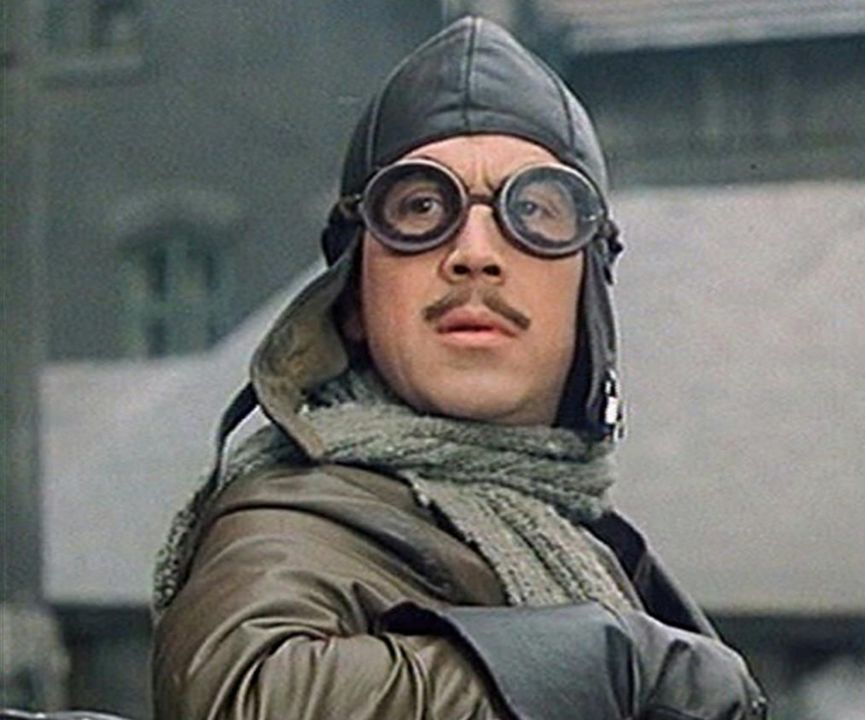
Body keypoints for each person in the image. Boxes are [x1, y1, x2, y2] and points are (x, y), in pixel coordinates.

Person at [150, 16, 767, 720]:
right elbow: (240, 696)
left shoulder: (595, 550)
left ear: (587, 294)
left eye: (532, 209)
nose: (475, 252)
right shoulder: (296, 520)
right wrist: (597, 665)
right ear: (353, 300)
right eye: (420, 208)